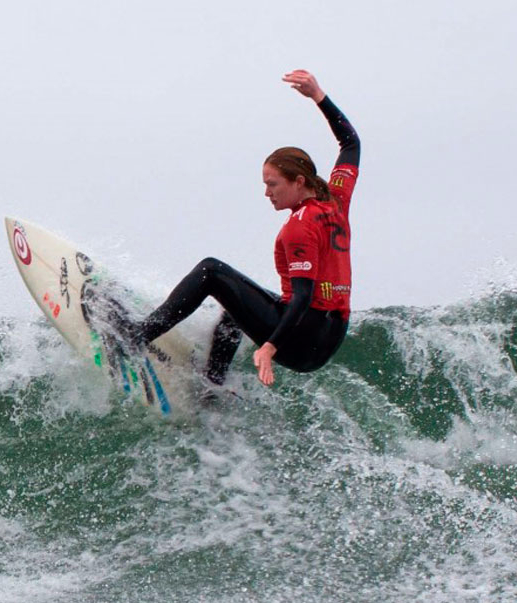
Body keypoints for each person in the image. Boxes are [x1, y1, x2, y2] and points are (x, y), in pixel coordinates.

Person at [128, 69, 360, 387]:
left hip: (302, 341)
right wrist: (319, 96)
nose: (267, 193)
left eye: (273, 184)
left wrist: (268, 348)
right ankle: (213, 384)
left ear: (299, 182)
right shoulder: (336, 200)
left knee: (211, 271)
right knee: (234, 302)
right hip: (329, 337)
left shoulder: (300, 226)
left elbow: (303, 297)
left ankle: (136, 336)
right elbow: (350, 143)